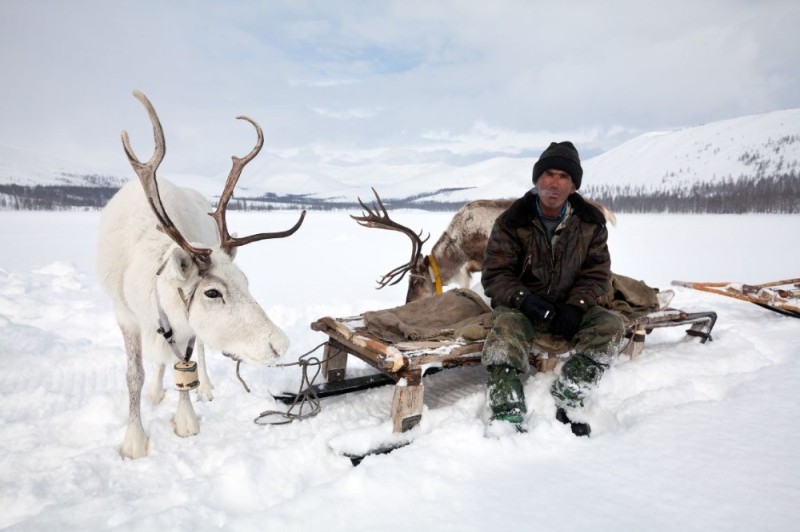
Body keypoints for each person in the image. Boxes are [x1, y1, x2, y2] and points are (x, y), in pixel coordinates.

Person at [480, 141, 624, 436]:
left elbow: (597, 273)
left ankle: (569, 397)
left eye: (563, 177)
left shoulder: (590, 224)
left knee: (612, 326)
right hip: (523, 308)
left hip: (568, 306)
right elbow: (495, 275)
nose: (554, 183)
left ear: (573, 186)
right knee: (503, 334)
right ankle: (507, 413)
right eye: (548, 174)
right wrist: (525, 299)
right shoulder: (511, 222)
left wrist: (576, 305)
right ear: (537, 179)